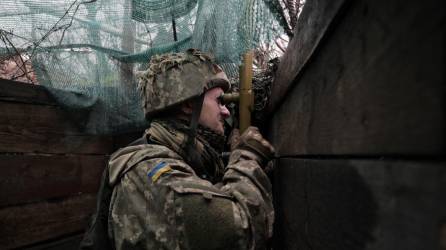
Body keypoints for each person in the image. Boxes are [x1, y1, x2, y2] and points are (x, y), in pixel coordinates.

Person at [81, 48, 275, 250]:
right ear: (189, 105)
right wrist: (247, 159)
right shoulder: (149, 171)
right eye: (220, 101)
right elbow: (242, 233)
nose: (226, 112)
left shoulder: (183, 159)